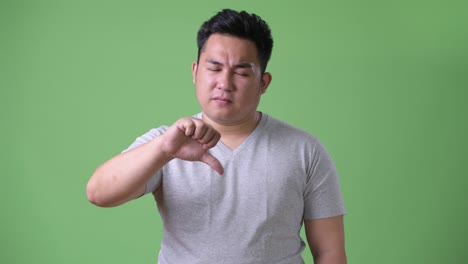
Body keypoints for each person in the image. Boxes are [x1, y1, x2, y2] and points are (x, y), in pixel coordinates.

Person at [86, 9, 347, 264]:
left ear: (263, 83)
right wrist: (163, 149)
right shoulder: (166, 142)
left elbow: (330, 252)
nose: (225, 82)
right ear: (195, 72)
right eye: (214, 68)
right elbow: (99, 193)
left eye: (242, 72)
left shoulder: (304, 150)